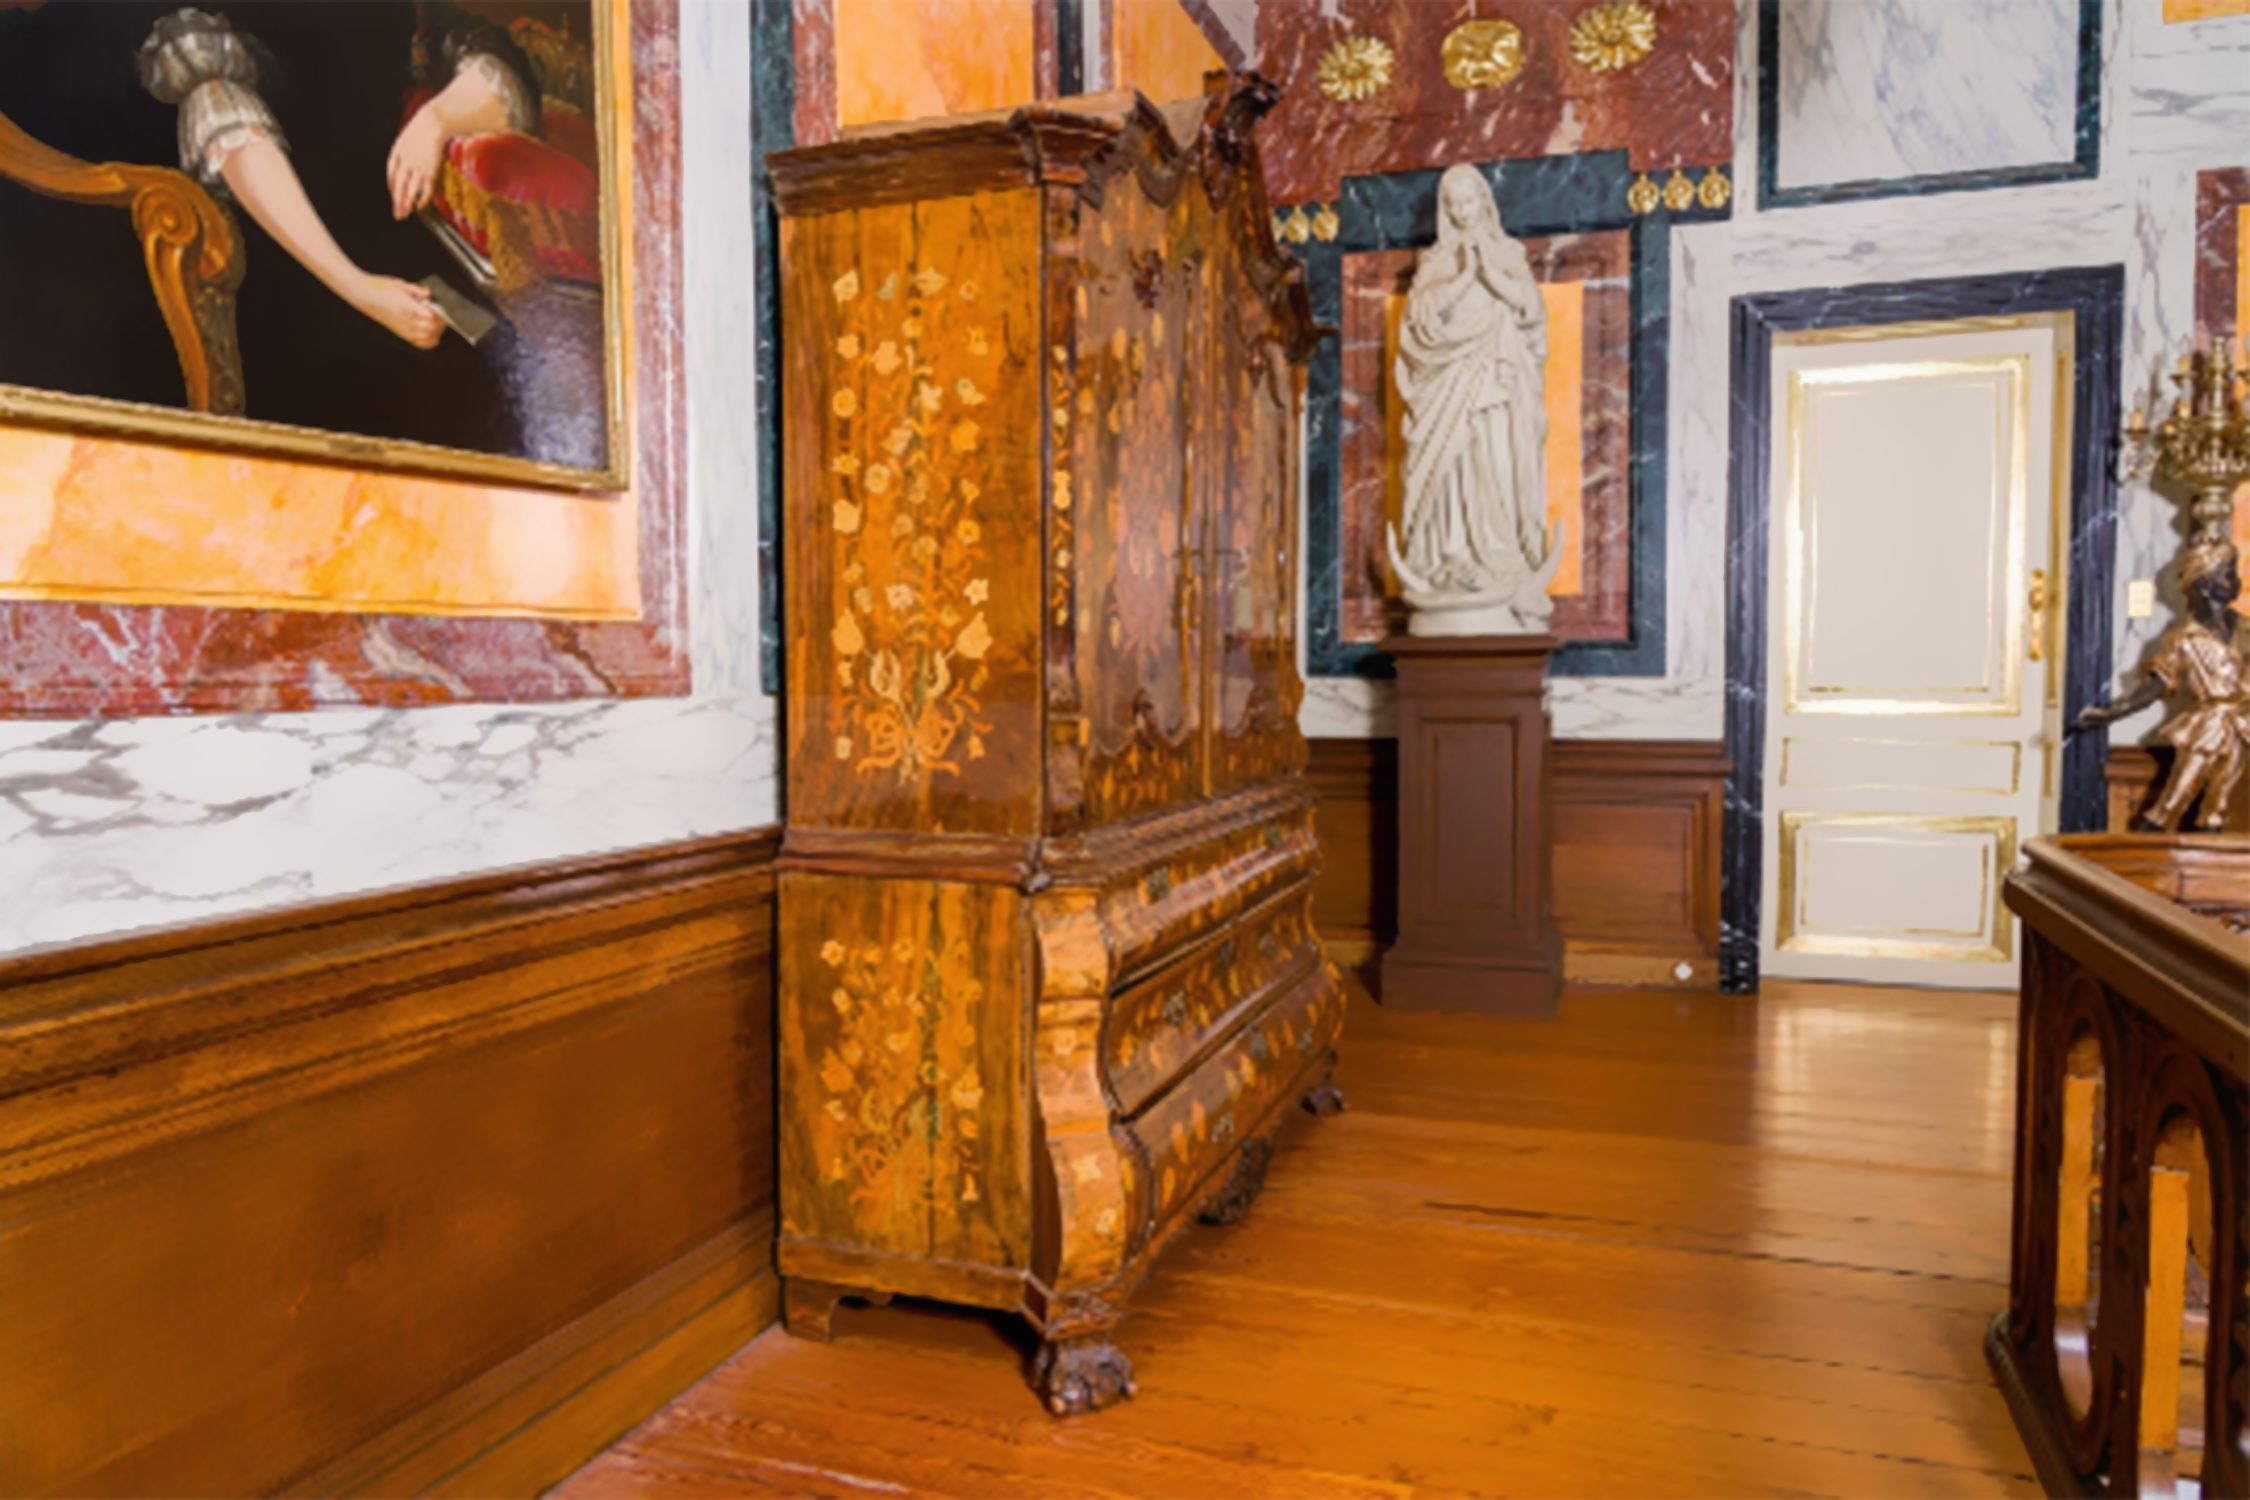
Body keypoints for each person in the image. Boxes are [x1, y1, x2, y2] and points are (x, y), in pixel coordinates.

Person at [138, 4, 540, 352]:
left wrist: (437, 120)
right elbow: (216, 107)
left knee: (496, 356)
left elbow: (496, 61)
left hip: (388, 235)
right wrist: (361, 290)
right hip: (281, 258)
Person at [1386, 163, 1561, 632]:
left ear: (1485, 200)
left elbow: (1530, 309)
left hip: (1499, 380)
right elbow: (1421, 319)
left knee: (1497, 464)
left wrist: (1487, 268)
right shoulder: (1435, 261)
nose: (1464, 212)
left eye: (1470, 201)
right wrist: (1464, 274)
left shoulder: (1508, 252)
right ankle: (1451, 557)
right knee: (1451, 466)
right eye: (1454, 204)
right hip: (1448, 380)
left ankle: (1501, 561)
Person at [2071, 534, 2250, 831]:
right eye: (2227, 573)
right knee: (2177, 793)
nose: (2236, 579)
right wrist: (2112, 712)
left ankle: (2209, 857)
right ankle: (2146, 843)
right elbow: (2156, 685)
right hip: (2205, 727)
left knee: (2220, 800)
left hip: (2240, 728)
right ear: (2205, 585)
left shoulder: (2245, 629)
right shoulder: (2183, 639)